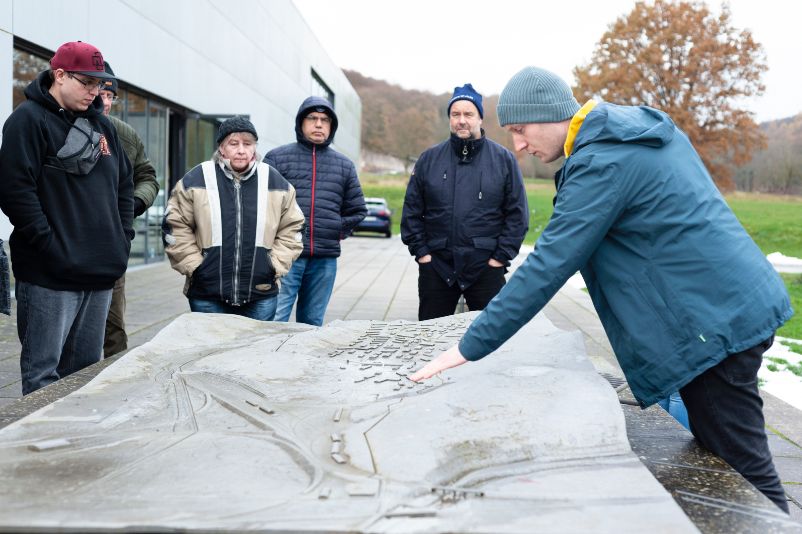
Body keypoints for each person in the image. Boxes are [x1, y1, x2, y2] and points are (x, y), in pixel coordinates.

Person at [410, 66, 793, 513]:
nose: (518, 145)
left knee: (746, 472)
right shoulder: (627, 133)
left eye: (520, 130)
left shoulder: (604, 160)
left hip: (713, 326)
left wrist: (468, 346)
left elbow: (549, 263)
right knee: (724, 461)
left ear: (549, 114)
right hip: (727, 307)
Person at [0, 41, 134, 395]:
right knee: (44, 375)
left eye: (99, 84)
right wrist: (49, 245)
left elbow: (124, 186)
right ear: (59, 75)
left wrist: (122, 241)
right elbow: (15, 192)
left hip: (101, 270)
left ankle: (75, 447)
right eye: (86, 83)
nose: (95, 92)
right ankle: (39, 450)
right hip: (50, 274)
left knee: (86, 374)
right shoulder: (27, 121)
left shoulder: (103, 128)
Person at [401, 83, 528, 320]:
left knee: (490, 344)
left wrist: (499, 258)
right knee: (429, 340)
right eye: (455, 114)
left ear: (480, 118)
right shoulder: (429, 159)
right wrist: (423, 254)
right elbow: (411, 213)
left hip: (486, 269)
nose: (462, 120)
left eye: (468, 114)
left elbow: (517, 215)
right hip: (437, 268)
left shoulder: (504, 160)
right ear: (449, 118)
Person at [163, 116, 304, 320]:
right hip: (207, 294)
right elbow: (174, 226)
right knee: (209, 351)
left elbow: (293, 227)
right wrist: (195, 267)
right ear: (221, 148)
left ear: (254, 147)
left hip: (260, 294)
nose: (241, 150)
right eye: (233, 143)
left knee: (255, 351)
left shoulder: (274, 181)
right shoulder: (197, 178)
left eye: (247, 144)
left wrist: (274, 265)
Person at [264, 97, 366, 326]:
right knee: (274, 321)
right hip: (284, 257)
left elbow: (358, 209)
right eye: (313, 118)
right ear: (301, 123)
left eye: (325, 120)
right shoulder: (277, 158)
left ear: (331, 126)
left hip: (324, 260)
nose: (319, 124)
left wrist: (336, 230)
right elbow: (261, 206)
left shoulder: (344, 165)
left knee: (312, 324)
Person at [100, 61, 160, 357]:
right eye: (101, 94)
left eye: (111, 96)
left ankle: (111, 388)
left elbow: (147, 176)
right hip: (63, 246)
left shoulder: (124, 134)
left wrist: (134, 204)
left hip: (112, 244)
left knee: (112, 328)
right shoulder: (54, 127)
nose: (106, 103)